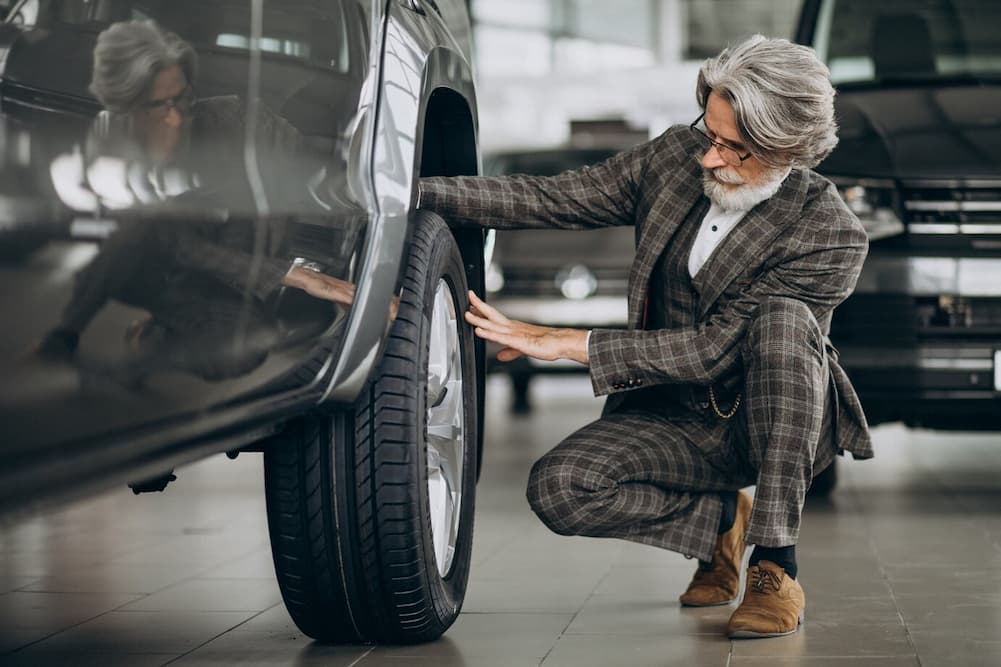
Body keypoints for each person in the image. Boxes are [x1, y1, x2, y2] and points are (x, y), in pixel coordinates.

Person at [418, 35, 872, 639]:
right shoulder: (674, 159)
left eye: (732, 149)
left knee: (785, 322)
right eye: (708, 134)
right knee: (559, 488)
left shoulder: (829, 234)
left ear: (788, 149)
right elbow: (552, 197)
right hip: (672, 414)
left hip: (764, 425)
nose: (709, 159)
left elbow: (715, 346)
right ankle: (719, 523)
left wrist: (568, 341)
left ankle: (773, 564)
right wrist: (409, 194)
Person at [38, 20, 354, 375]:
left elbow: (315, 174)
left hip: (224, 278)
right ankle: (65, 334)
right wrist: (301, 277)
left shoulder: (242, 123)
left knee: (245, 348)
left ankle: (162, 336)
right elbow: (178, 246)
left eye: (182, 98)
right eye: (157, 106)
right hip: (149, 263)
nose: (175, 118)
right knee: (135, 229)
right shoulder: (108, 140)